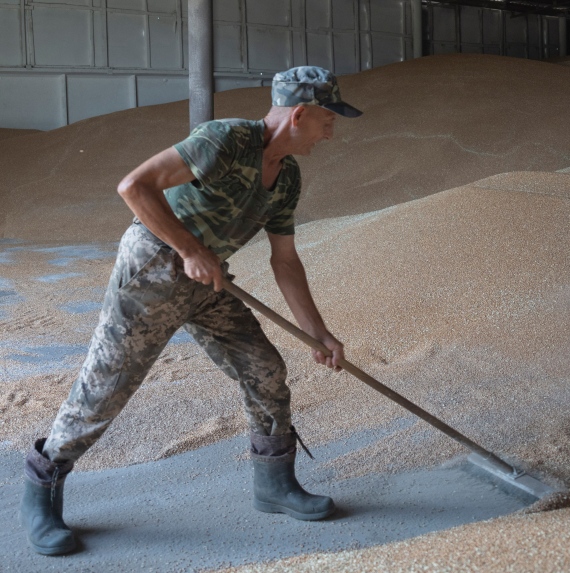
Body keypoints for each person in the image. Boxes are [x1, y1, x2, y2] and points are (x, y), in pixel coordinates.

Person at [20, 66, 361, 556]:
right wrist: (188, 248)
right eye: (328, 119)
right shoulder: (225, 139)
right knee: (104, 390)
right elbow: (135, 186)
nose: (332, 131)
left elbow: (284, 260)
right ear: (300, 113)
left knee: (265, 370)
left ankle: (274, 485)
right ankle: (41, 492)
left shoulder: (286, 178)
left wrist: (318, 334)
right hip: (152, 272)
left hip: (209, 283)